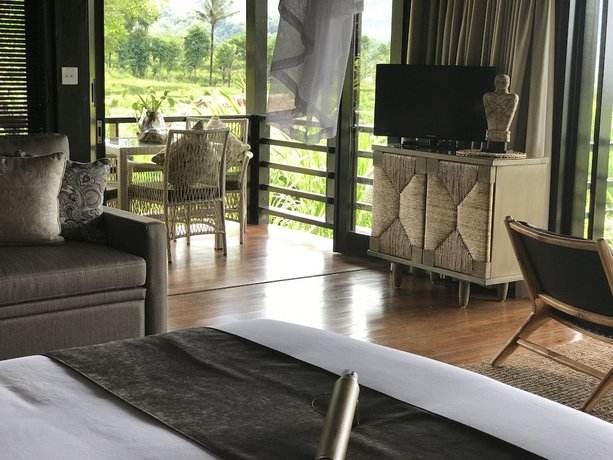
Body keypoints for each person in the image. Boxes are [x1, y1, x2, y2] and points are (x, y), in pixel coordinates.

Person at [482, 74, 518, 152]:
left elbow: (508, 113)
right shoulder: (487, 96)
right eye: (498, 81)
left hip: (503, 128)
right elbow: (489, 113)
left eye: (503, 81)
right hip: (492, 127)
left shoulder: (512, 97)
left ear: (508, 83)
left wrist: (497, 107)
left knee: (503, 128)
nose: (500, 83)